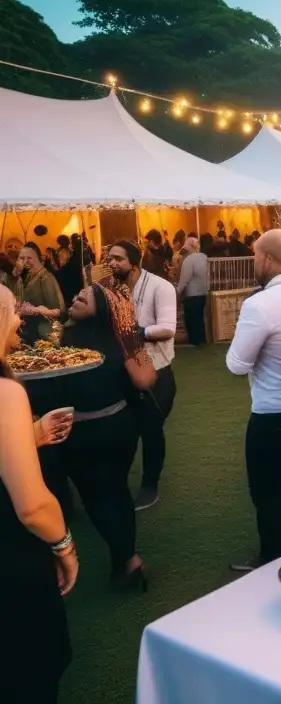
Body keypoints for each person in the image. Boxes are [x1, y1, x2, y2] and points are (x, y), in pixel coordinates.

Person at [0, 285, 77, 704]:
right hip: (11, 566)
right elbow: (32, 506)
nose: (18, 320)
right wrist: (64, 546)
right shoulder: (7, 393)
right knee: (29, 675)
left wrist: (28, 436)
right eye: (12, 312)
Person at [57, 283, 156, 589]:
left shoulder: (69, 339)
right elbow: (144, 379)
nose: (75, 298)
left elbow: (145, 379)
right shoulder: (118, 337)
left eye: (83, 298)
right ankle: (123, 561)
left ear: (100, 307)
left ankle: (128, 558)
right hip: (121, 428)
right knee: (117, 490)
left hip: (86, 433)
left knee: (96, 497)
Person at [226, 231, 281, 570]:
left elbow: (236, 364)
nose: (253, 262)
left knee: (267, 492)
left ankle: (271, 559)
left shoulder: (259, 304)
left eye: (255, 256)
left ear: (267, 259)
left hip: (273, 414)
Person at [108, 241, 177, 511]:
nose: (112, 263)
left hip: (157, 371)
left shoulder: (161, 287)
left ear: (134, 263)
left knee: (150, 430)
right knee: (125, 429)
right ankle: (117, 483)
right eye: (110, 258)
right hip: (125, 369)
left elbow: (168, 329)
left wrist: (133, 331)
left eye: (118, 259)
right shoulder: (113, 288)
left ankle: (150, 486)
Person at [17, 243, 64, 344]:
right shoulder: (29, 275)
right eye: (23, 257)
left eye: (29, 257)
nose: (25, 261)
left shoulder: (46, 277)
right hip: (30, 330)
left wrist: (36, 310)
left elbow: (59, 310)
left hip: (43, 333)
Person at [176, 237, 209, 346]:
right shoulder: (204, 257)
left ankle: (194, 340)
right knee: (200, 318)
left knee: (191, 318)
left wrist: (178, 291)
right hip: (203, 293)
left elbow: (185, 278)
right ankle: (202, 339)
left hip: (191, 294)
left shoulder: (188, 260)